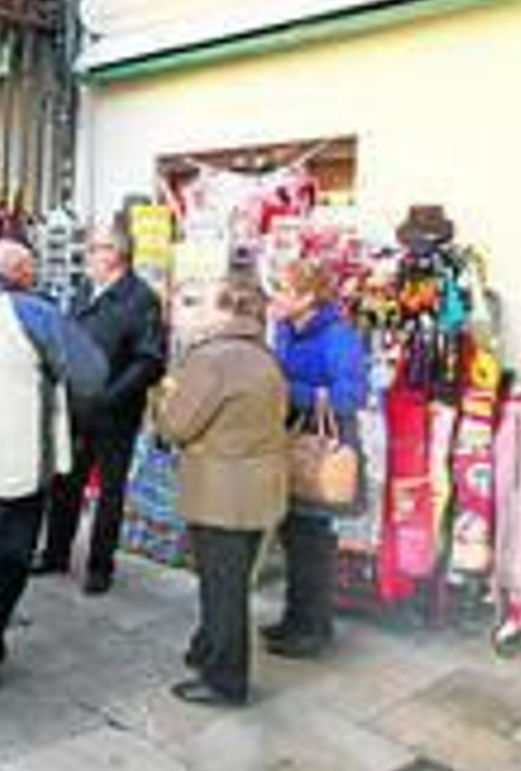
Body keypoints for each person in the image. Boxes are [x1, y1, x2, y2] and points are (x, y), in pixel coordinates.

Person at [0, 241, 106, 698]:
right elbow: (91, 373)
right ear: (18, 271)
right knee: (10, 561)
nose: (34, 275)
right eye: (31, 267)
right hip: (20, 455)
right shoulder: (33, 311)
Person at [153, 271, 290, 707]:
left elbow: (176, 426)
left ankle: (225, 680)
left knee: (222, 589)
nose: (191, 311)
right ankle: (208, 649)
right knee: (230, 582)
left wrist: (162, 398)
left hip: (221, 492)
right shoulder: (262, 353)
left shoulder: (211, 359)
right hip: (259, 485)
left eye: (200, 303)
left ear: (226, 310)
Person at [34, 222, 167, 594]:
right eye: (90, 248)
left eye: (95, 248)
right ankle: (56, 553)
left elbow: (150, 361)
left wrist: (109, 396)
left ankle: (99, 566)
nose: (88, 254)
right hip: (75, 407)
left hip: (114, 414)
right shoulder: (84, 290)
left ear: (116, 254)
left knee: (109, 493)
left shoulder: (141, 298)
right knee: (65, 484)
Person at [266, 258, 368, 659]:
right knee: (293, 535)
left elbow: (351, 395)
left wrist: (290, 390)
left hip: (324, 443)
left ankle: (314, 628)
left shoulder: (339, 336)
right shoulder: (286, 329)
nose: (276, 298)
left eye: (284, 290)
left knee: (313, 542)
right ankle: (295, 618)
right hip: (292, 437)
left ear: (308, 297)